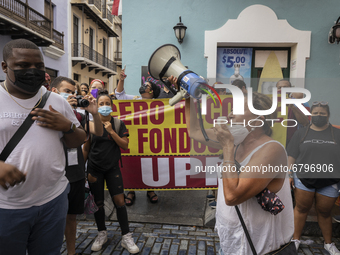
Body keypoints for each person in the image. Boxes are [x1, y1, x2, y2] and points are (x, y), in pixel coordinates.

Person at [174, 75, 295, 254]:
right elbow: (194, 131)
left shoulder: (272, 150)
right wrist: (187, 95)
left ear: (258, 119)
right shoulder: (237, 141)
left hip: (260, 248)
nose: (229, 114)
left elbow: (232, 196)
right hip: (232, 243)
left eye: (237, 109)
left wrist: (228, 147)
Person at [0, 39, 86, 254]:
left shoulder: (57, 101)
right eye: (22, 66)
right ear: (4, 67)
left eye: (38, 66)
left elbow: (79, 139)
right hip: (7, 207)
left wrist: (67, 127)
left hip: (53, 200)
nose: (33, 71)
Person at [51, 76, 103, 255]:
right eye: (67, 92)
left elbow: (98, 131)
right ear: (54, 91)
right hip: (53, 173)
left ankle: (71, 252)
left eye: (73, 92)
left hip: (75, 173)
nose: (71, 95)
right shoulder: (46, 112)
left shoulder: (79, 115)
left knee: (71, 217)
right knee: (51, 219)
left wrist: (94, 113)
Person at [82, 90, 139, 253]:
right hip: (94, 170)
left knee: (120, 202)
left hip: (112, 169)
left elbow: (125, 145)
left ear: (112, 106)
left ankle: (126, 237)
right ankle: (102, 233)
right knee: (98, 203)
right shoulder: (90, 124)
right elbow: (86, 148)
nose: (105, 106)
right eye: (101, 104)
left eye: (108, 103)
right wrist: (81, 169)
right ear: (96, 106)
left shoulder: (119, 124)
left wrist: (111, 131)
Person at [288, 102, 340, 254]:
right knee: (301, 208)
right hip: (303, 178)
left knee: (325, 212)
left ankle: (328, 243)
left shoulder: (336, 134)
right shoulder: (301, 133)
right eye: (316, 113)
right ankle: (295, 240)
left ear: (328, 115)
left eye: (322, 114)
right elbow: (292, 155)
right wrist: (289, 175)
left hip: (330, 180)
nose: (319, 116)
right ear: (311, 115)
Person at [276, 79, 310, 146]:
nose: (282, 89)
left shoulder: (297, 103)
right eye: (279, 87)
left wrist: (293, 107)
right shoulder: (269, 102)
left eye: (285, 87)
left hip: (292, 141)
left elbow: (306, 123)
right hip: (275, 139)